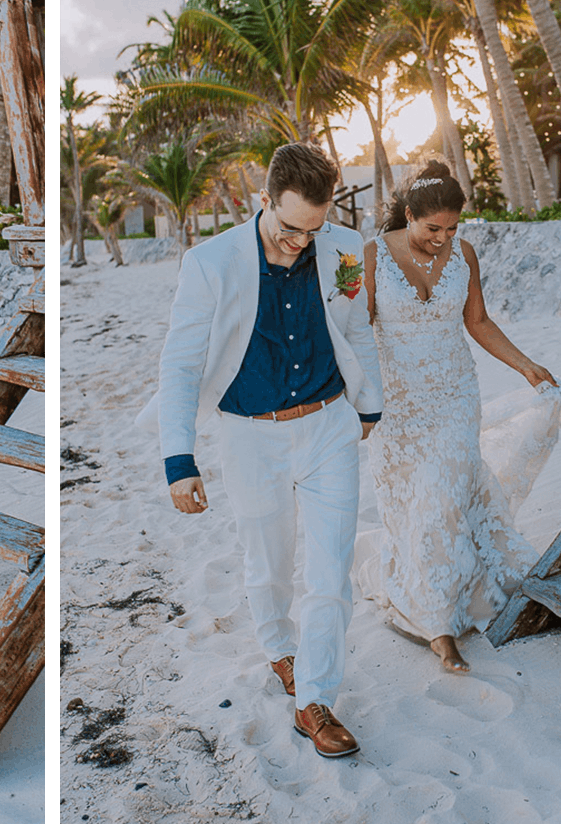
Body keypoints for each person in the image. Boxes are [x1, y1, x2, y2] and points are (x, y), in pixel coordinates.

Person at [135, 141, 383, 759]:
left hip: (329, 425)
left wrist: (368, 406)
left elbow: (356, 330)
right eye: (290, 227)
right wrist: (178, 460)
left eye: (314, 230)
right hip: (249, 434)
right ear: (263, 201)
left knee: (331, 570)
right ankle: (281, 652)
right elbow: (181, 364)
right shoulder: (210, 262)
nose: (302, 242)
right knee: (268, 562)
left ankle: (316, 701)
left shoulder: (347, 251)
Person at [359, 161, 561, 674]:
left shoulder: (464, 254)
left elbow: (478, 321)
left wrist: (527, 366)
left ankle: (440, 625)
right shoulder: (371, 256)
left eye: (452, 229)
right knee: (415, 506)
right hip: (397, 407)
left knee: (443, 497)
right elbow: (359, 333)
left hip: (453, 395)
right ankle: (433, 612)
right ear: (409, 216)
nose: (442, 239)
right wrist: (359, 402)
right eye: (432, 229)